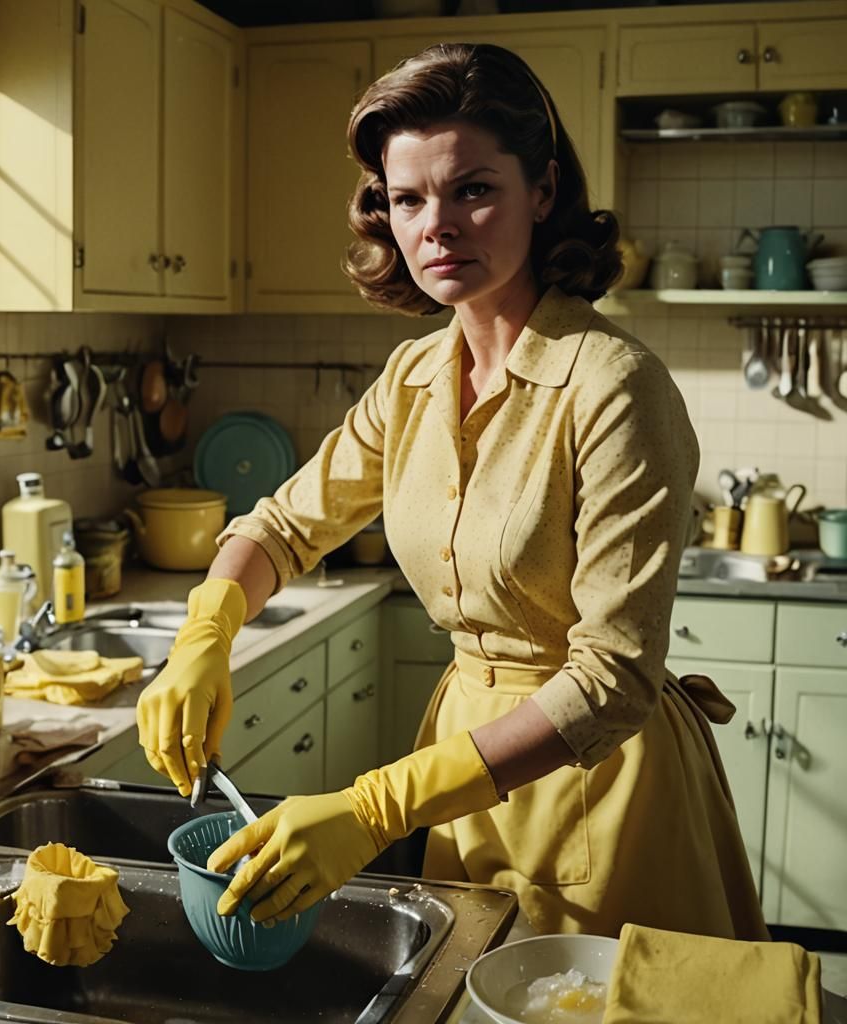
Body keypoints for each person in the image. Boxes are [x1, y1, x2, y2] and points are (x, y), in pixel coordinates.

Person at [137, 42, 768, 941]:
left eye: (472, 189)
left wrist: (376, 806)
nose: (436, 226)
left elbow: (613, 678)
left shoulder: (614, 386)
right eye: (407, 199)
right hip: (461, 778)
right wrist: (205, 634)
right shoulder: (413, 380)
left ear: (542, 191)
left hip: (602, 786)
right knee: (461, 987)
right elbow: (281, 528)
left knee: (587, 995)